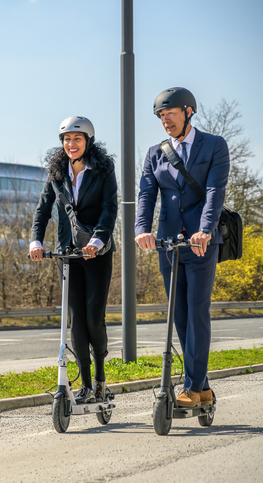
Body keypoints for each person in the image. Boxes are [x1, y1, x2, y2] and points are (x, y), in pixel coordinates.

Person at [135, 87, 230, 407]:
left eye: (171, 114)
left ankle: (191, 387)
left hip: (202, 244)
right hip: (168, 242)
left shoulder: (214, 145)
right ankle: (201, 387)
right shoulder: (155, 153)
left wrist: (205, 229)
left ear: (189, 111)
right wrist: (141, 230)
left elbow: (216, 190)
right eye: (161, 117)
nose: (166, 121)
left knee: (197, 312)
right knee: (179, 314)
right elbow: (147, 194)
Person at [30, 116, 118, 404]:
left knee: (94, 319)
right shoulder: (56, 172)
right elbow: (43, 210)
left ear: (88, 141)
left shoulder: (103, 169)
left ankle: (102, 380)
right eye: (67, 139)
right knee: (75, 322)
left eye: (77, 139)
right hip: (67, 253)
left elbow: (109, 208)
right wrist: (36, 241)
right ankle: (86, 385)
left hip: (97, 253)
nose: (71, 144)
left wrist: (97, 240)